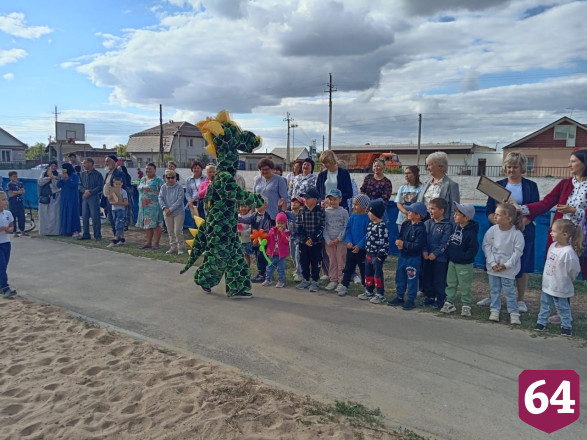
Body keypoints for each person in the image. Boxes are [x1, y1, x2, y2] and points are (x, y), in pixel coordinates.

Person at [513, 149, 587, 325]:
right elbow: (546, 203)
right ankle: (562, 311)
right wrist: (522, 209)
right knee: (560, 274)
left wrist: (575, 210)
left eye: (574, 161)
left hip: (583, 236)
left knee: (577, 271)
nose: (569, 165)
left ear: (584, 164)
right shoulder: (564, 184)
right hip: (563, 236)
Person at [477, 152, 540, 313]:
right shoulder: (498, 185)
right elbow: (489, 210)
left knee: (522, 264)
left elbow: (535, 209)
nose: (511, 170)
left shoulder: (530, 186)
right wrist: (498, 224)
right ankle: (493, 296)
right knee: (494, 261)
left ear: (522, 168)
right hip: (499, 231)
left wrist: (519, 225)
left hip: (523, 230)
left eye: (515, 167)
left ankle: (520, 299)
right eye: (509, 167)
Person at [534, 219, 581, 337]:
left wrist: (566, 279)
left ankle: (566, 326)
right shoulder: (552, 246)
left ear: (564, 234)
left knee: (563, 307)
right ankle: (541, 322)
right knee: (545, 304)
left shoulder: (568, 252)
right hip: (548, 284)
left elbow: (574, 270)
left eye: (554, 231)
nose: (551, 232)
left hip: (561, 286)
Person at [482, 203, 525, 324]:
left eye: (498, 215)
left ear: (509, 218)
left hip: (507, 270)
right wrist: (492, 262)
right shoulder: (492, 230)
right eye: (495, 214)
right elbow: (486, 246)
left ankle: (514, 313)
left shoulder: (516, 234)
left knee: (509, 291)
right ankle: (494, 310)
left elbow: (518, 252)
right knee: (494, 290)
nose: (495, 217)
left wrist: (506, 265)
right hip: (493, 268)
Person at [440, 203, 480, 316]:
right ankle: (449, 302)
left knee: (465, 285)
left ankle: (466, 305)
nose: (454, 216)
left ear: (466, 218)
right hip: (452, 262)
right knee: (451, 283)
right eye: (455, 213)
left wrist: (464, 257)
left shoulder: (471, 232)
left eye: (458, 214)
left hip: (464, 264)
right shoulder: (456, 227)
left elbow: (473, 248)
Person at [388, 202, 427, 310]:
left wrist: (404, 244)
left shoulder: (421, 229)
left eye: (410, 211)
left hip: (413, 258)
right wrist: (399, 242)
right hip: (403, 255)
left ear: (418, 215)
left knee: (412, 278)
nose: (408, 213)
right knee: (400, 276)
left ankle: (411, 299)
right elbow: (400, 236)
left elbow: (418, 246)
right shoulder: (406, 224)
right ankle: (400, 296)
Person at [336, 194, 371, 297]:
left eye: (357, 205)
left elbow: (368, 234)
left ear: (364, 205)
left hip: (362, 249)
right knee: (348, 268)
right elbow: (348, 230)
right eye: (354, 204)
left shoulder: (368, 218)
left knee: (364, 269)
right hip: (351, 248)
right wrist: (349, 241)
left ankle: (367, 287)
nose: (354, 207)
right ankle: (344, 285)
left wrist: (360, 245)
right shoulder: (353, 217)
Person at [421, 198, 452, 309]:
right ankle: (429, 296)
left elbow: (445, 242)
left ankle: (440, 299)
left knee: (439, 279)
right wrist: (424, 251)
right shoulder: (427, 223)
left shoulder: (447, 225)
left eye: (433, 209)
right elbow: (423, 239)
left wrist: (435, 253)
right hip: (427, 257)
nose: (430, 211)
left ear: (442, 211)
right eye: (429, 208)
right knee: (427, 277)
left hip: (440, 259)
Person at [357, 200, 390, 304]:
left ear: (376, 213)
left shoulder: (382, 226)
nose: (368, 214)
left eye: (370, 212)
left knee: (377, 274)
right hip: (369, 254)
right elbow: (368, 237)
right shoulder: (371, 224)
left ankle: (380, 294)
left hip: (377, 255)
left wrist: (380, 255)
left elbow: (384, 242)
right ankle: (369, 290)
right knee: (368, 273)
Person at [295, 187, 325, 293]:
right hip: (303, 243)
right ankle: (306, 279)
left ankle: (315, 281)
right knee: (304, 261)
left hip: (316, 243)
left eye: (308, 198)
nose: (306, 200)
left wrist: (312, 238)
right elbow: (298, 227)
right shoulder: (302, 211)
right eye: (305, 198)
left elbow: (321, 226)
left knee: (316, 261)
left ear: (315, 200)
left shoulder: (320, 211)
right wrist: (305, 239)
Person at [417, 151, 460, 220]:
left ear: (440, 166)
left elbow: (454, 210)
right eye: (427, 165)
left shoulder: (451, 185)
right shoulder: (426, 183)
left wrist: (450, 226)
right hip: (423, 220)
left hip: (441, 224)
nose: (428, 168)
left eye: (430, 165)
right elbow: (419, 202)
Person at [239, 197, 273, 283]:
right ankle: (260, 273)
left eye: (260, 203)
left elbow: (267, 230)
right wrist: (239, 219)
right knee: (257, 257)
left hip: (262, 242)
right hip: (255, 241)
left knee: (262, 257)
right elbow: (247, 220)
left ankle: (263, 274)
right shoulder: (254, 214)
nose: (258, 205)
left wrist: (262, 237)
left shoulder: (267, 217)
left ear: (265, 205)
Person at [323, 189, 349, 291]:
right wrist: (328, 240)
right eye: (331, 199)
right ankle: (333, 279)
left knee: (341, 260)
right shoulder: (325, 212)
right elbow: (324, 227)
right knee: (332, 260)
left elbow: (346, 226)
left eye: (335, 199)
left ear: (340, 199)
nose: (333, 201)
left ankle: (341, 280)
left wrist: (339, 238)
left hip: (341, 241)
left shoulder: (344, 212)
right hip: (329, 242)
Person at [136, 162, 165, 250]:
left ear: (155, 170)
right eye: (147, 169)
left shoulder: (158, 180)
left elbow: (163, 191)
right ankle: (148, 242)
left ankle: (156, 243)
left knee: (156, 225)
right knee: (147, 224)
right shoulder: (142, 179)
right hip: (144, 207)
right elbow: (138, 185)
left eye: (150, 169)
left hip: (155, 206)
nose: (148, 170)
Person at [159, 169, 186, 255]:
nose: (170, 179)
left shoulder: (179, 187)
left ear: (176, 178)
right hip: (166, 212)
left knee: (177, 230)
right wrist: (165, 208)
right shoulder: (163, 187)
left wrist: (170, 209)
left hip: (178, 212)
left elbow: (180, 200)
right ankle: (173, 247)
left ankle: (180, 247)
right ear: (165, 178)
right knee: (170, 231)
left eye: (172, 177)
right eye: (168, 177)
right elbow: (160, 198)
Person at [253, 158, 289, 222]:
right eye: (262, 170)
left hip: (273, 216)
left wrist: (282, 216)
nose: (264, 171)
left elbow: (284, 199)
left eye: (267, 169)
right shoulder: (257, 180)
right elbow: (253, 197)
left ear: (272, 169)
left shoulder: (279, 180)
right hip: (258, 216)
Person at [262, 211, 291, 288]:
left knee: (281, 268)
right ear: (276, 223)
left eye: (282, 223)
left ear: (285, 224)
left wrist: (282, 233)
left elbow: (286, 241)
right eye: (278, 223)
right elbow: (269, 239)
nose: (280, 225)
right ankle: (268, 279)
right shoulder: (272, 230)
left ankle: (281, 281)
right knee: (269, 267)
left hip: (281, 255)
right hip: (272, 253)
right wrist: (264, 239)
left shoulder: (286, 232)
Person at [78, 158, 104, 241]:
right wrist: (84, 191)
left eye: (85, 163)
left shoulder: (98, 174)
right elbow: (79, 185)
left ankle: (97, 235)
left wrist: (91, 192)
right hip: (85, 197)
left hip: (93, 197)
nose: (83, 165)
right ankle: (86, 234)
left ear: (90, 164)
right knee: (85, 216)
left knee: (95, 217)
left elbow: (100, 186)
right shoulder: (82, 174)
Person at [103, 155, 125, 238]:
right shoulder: (107, 174)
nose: (106, 163)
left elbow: (122, 187)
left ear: (114, 162)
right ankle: (119, 237)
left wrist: (114, 196)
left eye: (108, 161)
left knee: (117, 220)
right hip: (108, 200)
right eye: (105, 161)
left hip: (116, 200)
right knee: (112, 220)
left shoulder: (119, 173)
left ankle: (118, 238)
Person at [56, 163, 81, 237]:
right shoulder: (62, 176)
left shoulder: (75, 176)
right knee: (65, 213)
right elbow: (58, 185)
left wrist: (67, 179)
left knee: (73, 213)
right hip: (64, 197)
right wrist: (61, 179)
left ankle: (75, 230)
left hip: (72, 197)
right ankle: (65, 230)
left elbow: (74, 185)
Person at [37, 161, 61, 236]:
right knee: (44, 215)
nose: (53, 167)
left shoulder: (58, 175)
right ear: (49, 167)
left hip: (55, 197)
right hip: (45, 197)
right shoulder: (43, 174)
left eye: (55, 166)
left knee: (54, 215)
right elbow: (40, 182)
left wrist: (53, 178)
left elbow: (58, 186)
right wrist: (48, 177)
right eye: (52, 166)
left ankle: (54, 232)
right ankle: (45, 231)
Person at [395, 166, 422, 230]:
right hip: (401, 220)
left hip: (414, 220)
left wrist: (410, 216)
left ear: (415, 175)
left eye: (409, 173)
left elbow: (419, 204)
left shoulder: (421, 188)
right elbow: (399, 203)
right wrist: (406, 213)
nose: (406, 175)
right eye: (405, 173)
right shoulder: (402, 188)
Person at [283, 197, 304, 281]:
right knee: (292, 254)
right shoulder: (289, 213)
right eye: (292, 202)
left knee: (297, 255)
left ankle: (300, 273)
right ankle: (297, 269)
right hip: (291, 237)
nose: (293, 204)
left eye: (296, 202)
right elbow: (281, 213)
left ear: (300, 205)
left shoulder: (303, 214)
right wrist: (280, 206)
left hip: (299, 238)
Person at [0, 192, 16, 298]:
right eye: (3, 199)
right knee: (1, 265)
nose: (6, 201)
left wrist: (9, 229)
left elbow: (11, 226)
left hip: (6, 242)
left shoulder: (7, 213)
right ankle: (5, 287)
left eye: (6, 199)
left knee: (4, 265)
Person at [107, 177, 128, 247]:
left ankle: (116, 239)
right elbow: (110, 200)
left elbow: (126, 203)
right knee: (117, 223)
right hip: (114, 209)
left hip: (121, 210)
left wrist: (118, 203)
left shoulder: (123, 191)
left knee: (118, 223)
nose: (118, 185)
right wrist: (110, 196)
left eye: (119, 184)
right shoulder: (112, 191)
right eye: (116, 184)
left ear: (121, 184)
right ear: (113, 184)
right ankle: (122, 239)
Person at [7, 171, 26, 236]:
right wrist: (18, 192)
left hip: (20, 202)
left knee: (22, 216)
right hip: (13, 203)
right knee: (13, 217)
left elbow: (23, 191)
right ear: (10, 177)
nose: (15, 177)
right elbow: (10, 194)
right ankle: (14, 231)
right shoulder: (9, 184)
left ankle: (22, 230)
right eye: (14, 176)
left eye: (16, 176)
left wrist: (15, 191)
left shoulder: (20, 183)